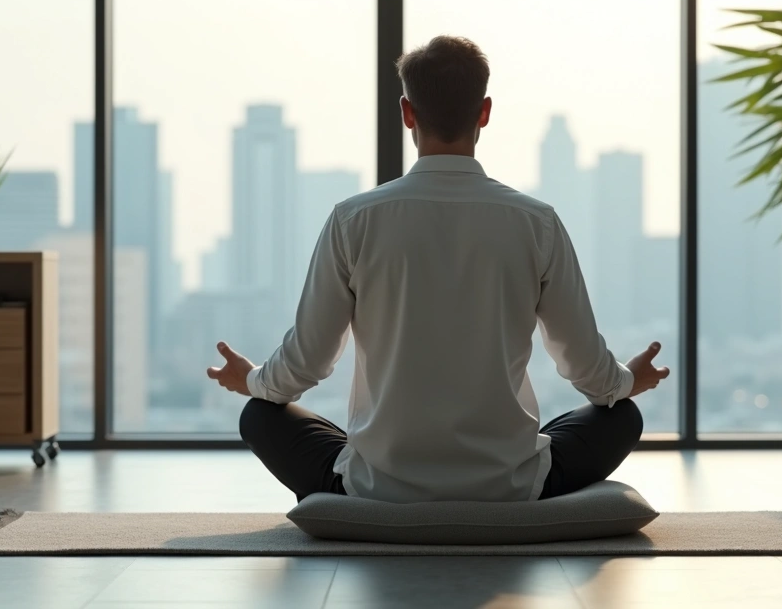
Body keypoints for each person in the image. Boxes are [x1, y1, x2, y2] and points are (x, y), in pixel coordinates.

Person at [207, 35, 670, 504]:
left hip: (377, 486)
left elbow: (306, 363)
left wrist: (250, 379)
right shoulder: (537, 222)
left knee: (259, 415)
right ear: (484, 112)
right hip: (509, 484)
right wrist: (627, 382)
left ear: (407, 112)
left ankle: (373, 489)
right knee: (622, 416)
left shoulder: (353, 219)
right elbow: (587, 369)